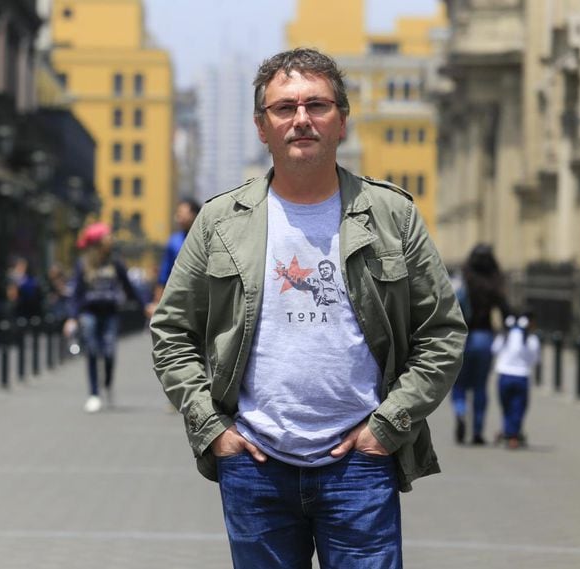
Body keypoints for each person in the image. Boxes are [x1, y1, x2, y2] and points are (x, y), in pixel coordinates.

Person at [150, 48, 467, 568]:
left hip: (361, 463)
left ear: (342, 120)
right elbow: (171, 332)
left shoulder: (392, 215)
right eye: (284, 107)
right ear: (262, 127)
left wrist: (387, 427)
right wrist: (212, 427)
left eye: (316, 105)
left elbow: (442, 333)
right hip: (254, 462)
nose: (301, 119)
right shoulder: (220, 221)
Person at [64, 222, 142, 413]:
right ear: (98, 241)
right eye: (107, 236)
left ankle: (106, 383)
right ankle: (94, 393)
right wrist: (72, 317)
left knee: (109, 352)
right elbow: (76, 293)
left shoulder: (115, 262)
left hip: (110, 313)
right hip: (90, 312)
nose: (111, 239)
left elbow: (129, 287)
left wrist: (144, 305)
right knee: (91, 351)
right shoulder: (83, 264)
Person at [451, 243, 510, 445]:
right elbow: (506, 311)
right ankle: (477, 431)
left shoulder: (464, 279)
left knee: (458, 384)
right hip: (484, 338)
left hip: (463, 338)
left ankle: (460, 411)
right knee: (480, 387)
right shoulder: (494, 282)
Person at [145, 197, 200, 319]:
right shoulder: (173, 242)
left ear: (194, 215)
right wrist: (156, 302)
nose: (178, 218)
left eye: (181, 214)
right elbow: (164, 275)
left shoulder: (204, 240)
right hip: (178, 301)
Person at [491, 313, 540, 449]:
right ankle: (512, 434)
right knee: (518, 407)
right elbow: (535, 358)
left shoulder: (505, 335)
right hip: (522, 376)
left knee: (506, 406)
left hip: (504, 375)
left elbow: (494, 350)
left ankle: (509, 432)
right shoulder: (531, 338)